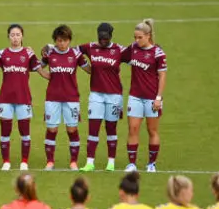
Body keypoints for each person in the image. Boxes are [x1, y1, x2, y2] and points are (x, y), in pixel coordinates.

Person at [0, 24, 42, 171]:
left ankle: (24, 161)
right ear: (8, 37)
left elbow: (40, 70)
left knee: (24, 132)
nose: (15, 37)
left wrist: (52, 63)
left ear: (22, 36)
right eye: (12, 35)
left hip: (23, 98)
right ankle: (6, 161)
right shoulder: (2, 54)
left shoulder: (29, 54)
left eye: (18, 34)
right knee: (5, 132)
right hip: (5, 98)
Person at [41, 25, 91, 171]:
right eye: (59, 40)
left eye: (64, 40)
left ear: (69, 40)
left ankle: (73, 162)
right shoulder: (49, 54)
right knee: (52, 129)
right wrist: (46, 75)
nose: (62, 43)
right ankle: (50, 162)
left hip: (71, 99)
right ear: (55, 41)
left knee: (72, 130)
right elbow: (37, 66)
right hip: (52, 98)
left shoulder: (76, 55)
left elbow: (88, 70)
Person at [121, 19, 167, 173]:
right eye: (135, 37)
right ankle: (132, 164)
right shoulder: (133, 48)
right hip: (135, 96)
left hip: (152, 99)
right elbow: (118, 56)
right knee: (133, 129)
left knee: (152, 131)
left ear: (148, 36)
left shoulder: (158, 53)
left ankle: (151, 164)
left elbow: (162, 76)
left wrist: (158, 98)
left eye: (139, 37)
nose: (136, 40)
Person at [79, 23, 125, 172]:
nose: (103, 41)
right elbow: (70, 51)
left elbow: (137, 54)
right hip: (96, 95)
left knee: (111, 129)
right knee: (93, 128)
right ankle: (89, 162)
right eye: (101, 38)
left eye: (106, 38)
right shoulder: (90, 47)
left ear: (111, 36)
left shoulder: (119, 50)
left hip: (114, 96)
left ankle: (111, 162)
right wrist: (85, 66)